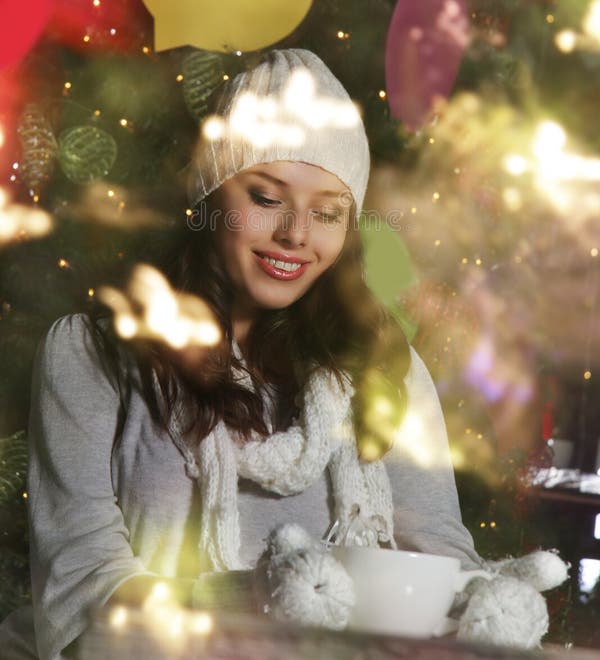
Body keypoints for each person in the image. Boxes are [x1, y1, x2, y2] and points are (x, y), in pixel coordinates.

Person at [2, 48, 483, 660]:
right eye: (266, 197)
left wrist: (489, 606)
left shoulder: (385, 367)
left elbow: (442, 562)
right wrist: (265, 607)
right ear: (209, 196)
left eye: (328, 212)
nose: (296, 234)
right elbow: (81, 591)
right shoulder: (92, 355)